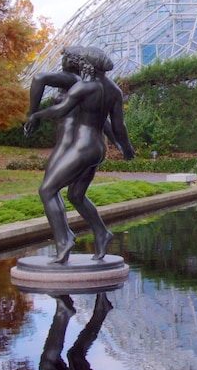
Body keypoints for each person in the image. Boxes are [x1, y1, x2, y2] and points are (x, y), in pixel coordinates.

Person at [24, 46, 135, 263]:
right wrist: (126, 147)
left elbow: (61, 110)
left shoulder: (85, 87)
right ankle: (102, 233)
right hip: (98, 149)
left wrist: (36, 115)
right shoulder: (114, 91)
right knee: (75, 195)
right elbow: (118, 126)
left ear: (88, 65)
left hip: (83, 147)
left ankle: (64, 241)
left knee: (47, 190)